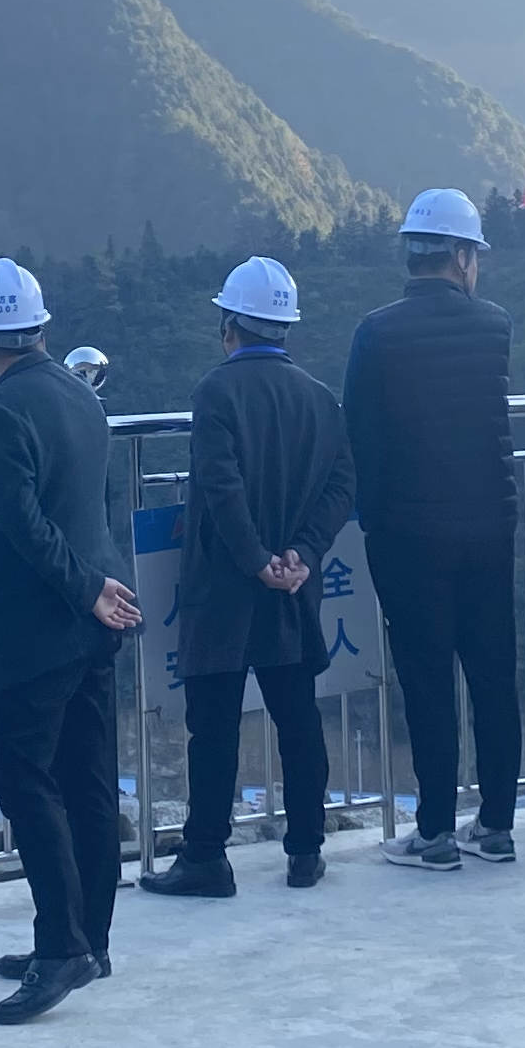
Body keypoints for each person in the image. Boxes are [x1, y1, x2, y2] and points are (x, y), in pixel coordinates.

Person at [0, 257, 141, 1020]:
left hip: (40, 626)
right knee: (88, 780)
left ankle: (61, 949)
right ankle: (88, 939)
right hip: (94, 618)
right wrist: (96, 588)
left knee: (24, 778)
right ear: (42, 332)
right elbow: (88, 502)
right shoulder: (77, 394)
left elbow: (23, 526)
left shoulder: (0, 413)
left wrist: (83, 587)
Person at [150, 258, 357, 896]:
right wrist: (301, 554)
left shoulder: (216, 392)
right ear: (285, 328)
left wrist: (255, 560)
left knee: (213, 727)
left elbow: (221, 486)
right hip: (293, 587)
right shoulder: (320, 398)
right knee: (297, 718)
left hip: (225, 589)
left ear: (229, 327)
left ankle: (206, 857)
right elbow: (341, 485)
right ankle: (306, 850)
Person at [344, 186, 525, 872]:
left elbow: (360, 437)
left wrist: (374, 522)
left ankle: (436, 833)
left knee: (427, 682)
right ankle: (498, 825)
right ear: (460, 256)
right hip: (488, 528)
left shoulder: (376, 333)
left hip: (409, 536)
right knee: (492, 675)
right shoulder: (495, 326)